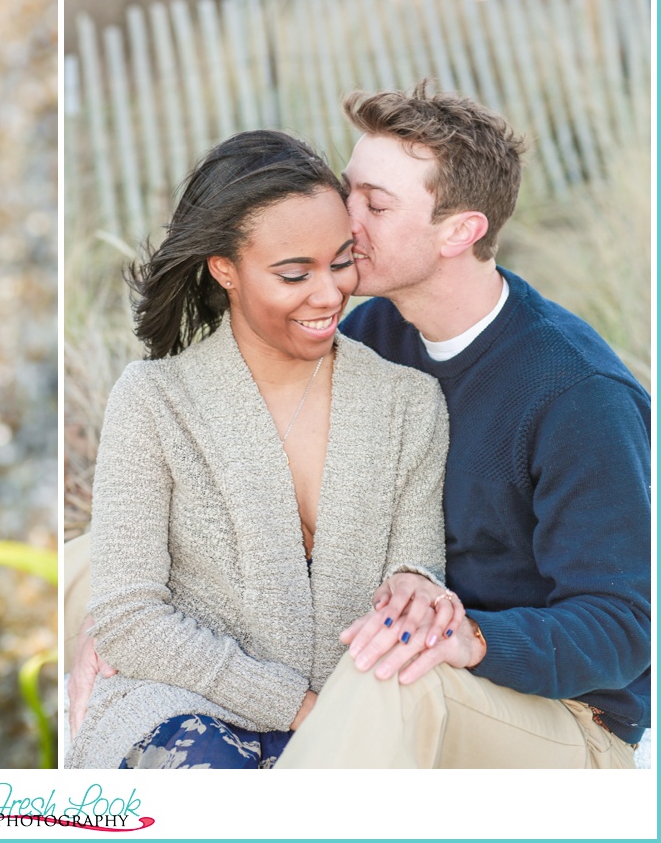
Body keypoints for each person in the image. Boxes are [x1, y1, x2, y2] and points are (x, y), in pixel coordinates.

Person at [268, 82, 651, 768]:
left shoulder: (577, 393)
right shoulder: (375, 335)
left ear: (460, 231)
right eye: (347, 190)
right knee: (98, 563)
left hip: (568, 726)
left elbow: (622, 627)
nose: (343, 219)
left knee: (393, 674)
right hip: (402, 663)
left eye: (375, 205)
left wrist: (471, 637)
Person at [66, 129, 455, 769]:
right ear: (226, 270)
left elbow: (412, 575)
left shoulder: (410, 403)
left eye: (340, 261)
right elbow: (129, 618)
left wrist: (418, 584)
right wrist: (301, 710)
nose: (329, 295)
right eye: (293, 273)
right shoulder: (155, 400)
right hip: (179, 707)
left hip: (352, 725)